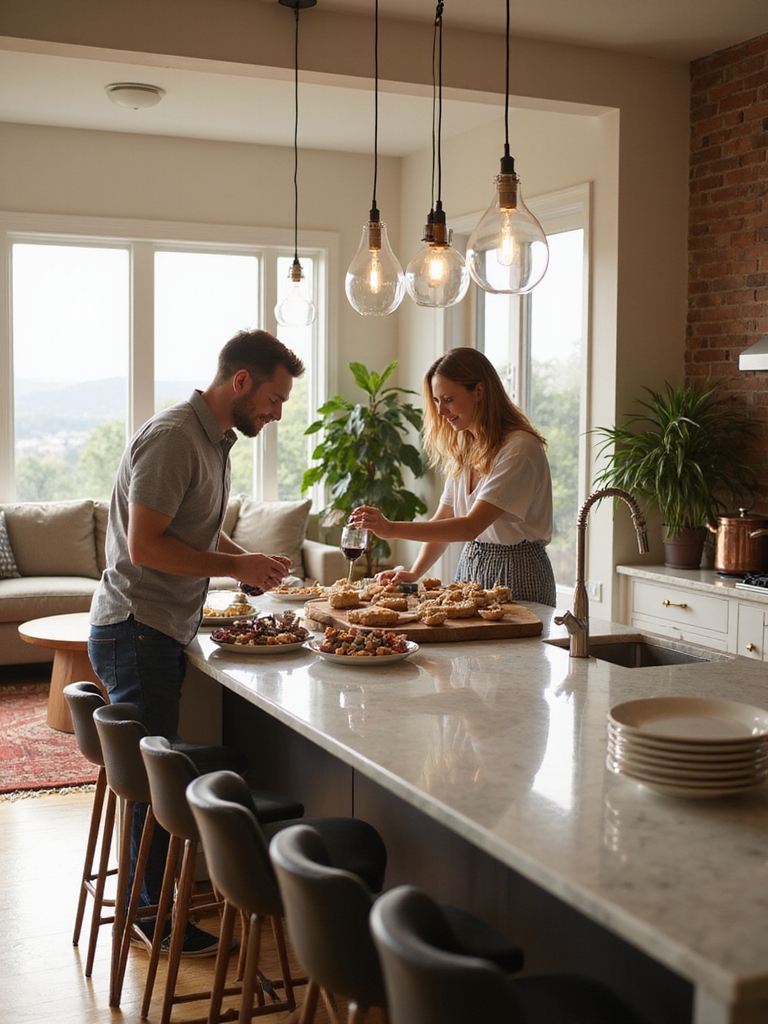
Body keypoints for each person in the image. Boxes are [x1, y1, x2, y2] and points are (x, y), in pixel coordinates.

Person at [88, 328, 304, 955]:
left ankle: (147, 908)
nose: (277, 411)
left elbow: (196, 530)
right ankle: (153, 919)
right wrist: (236, 570)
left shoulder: (215, 441)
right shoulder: (176, 438)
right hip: (137, 629)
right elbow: (147, 546)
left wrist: (247, 559)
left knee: (152, 774)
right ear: (241, 382)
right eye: (274, 397)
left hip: (154, 631)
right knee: (155, 780)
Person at [349, 347, 557, 607]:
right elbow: (445, 519)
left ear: (479, 391)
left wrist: (391, 529)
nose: (441, 411)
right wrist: (415, 572)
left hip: (518, 572)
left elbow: (470, 526)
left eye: (448, 399)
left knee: (515, 649)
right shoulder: (466, 447)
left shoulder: (519, 449)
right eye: (436, 401)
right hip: (470, 567)